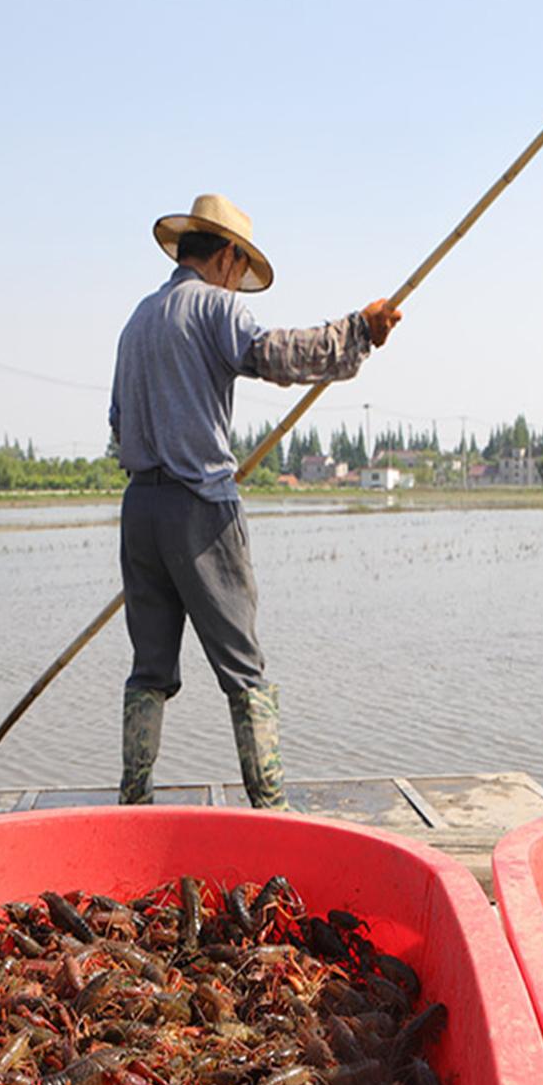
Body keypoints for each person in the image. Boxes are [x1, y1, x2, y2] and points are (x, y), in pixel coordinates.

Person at [109, 192, 402, 809]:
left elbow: (117, 425)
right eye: (239, 272)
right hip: (199, 513)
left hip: (140, 512)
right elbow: (275, 354)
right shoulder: (213, 306)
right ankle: (270, 807)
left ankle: (134, 799)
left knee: (149, 670)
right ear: (226, 257)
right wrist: (360, 331)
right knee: (243, 668)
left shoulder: (137, 319)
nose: (238, 284)